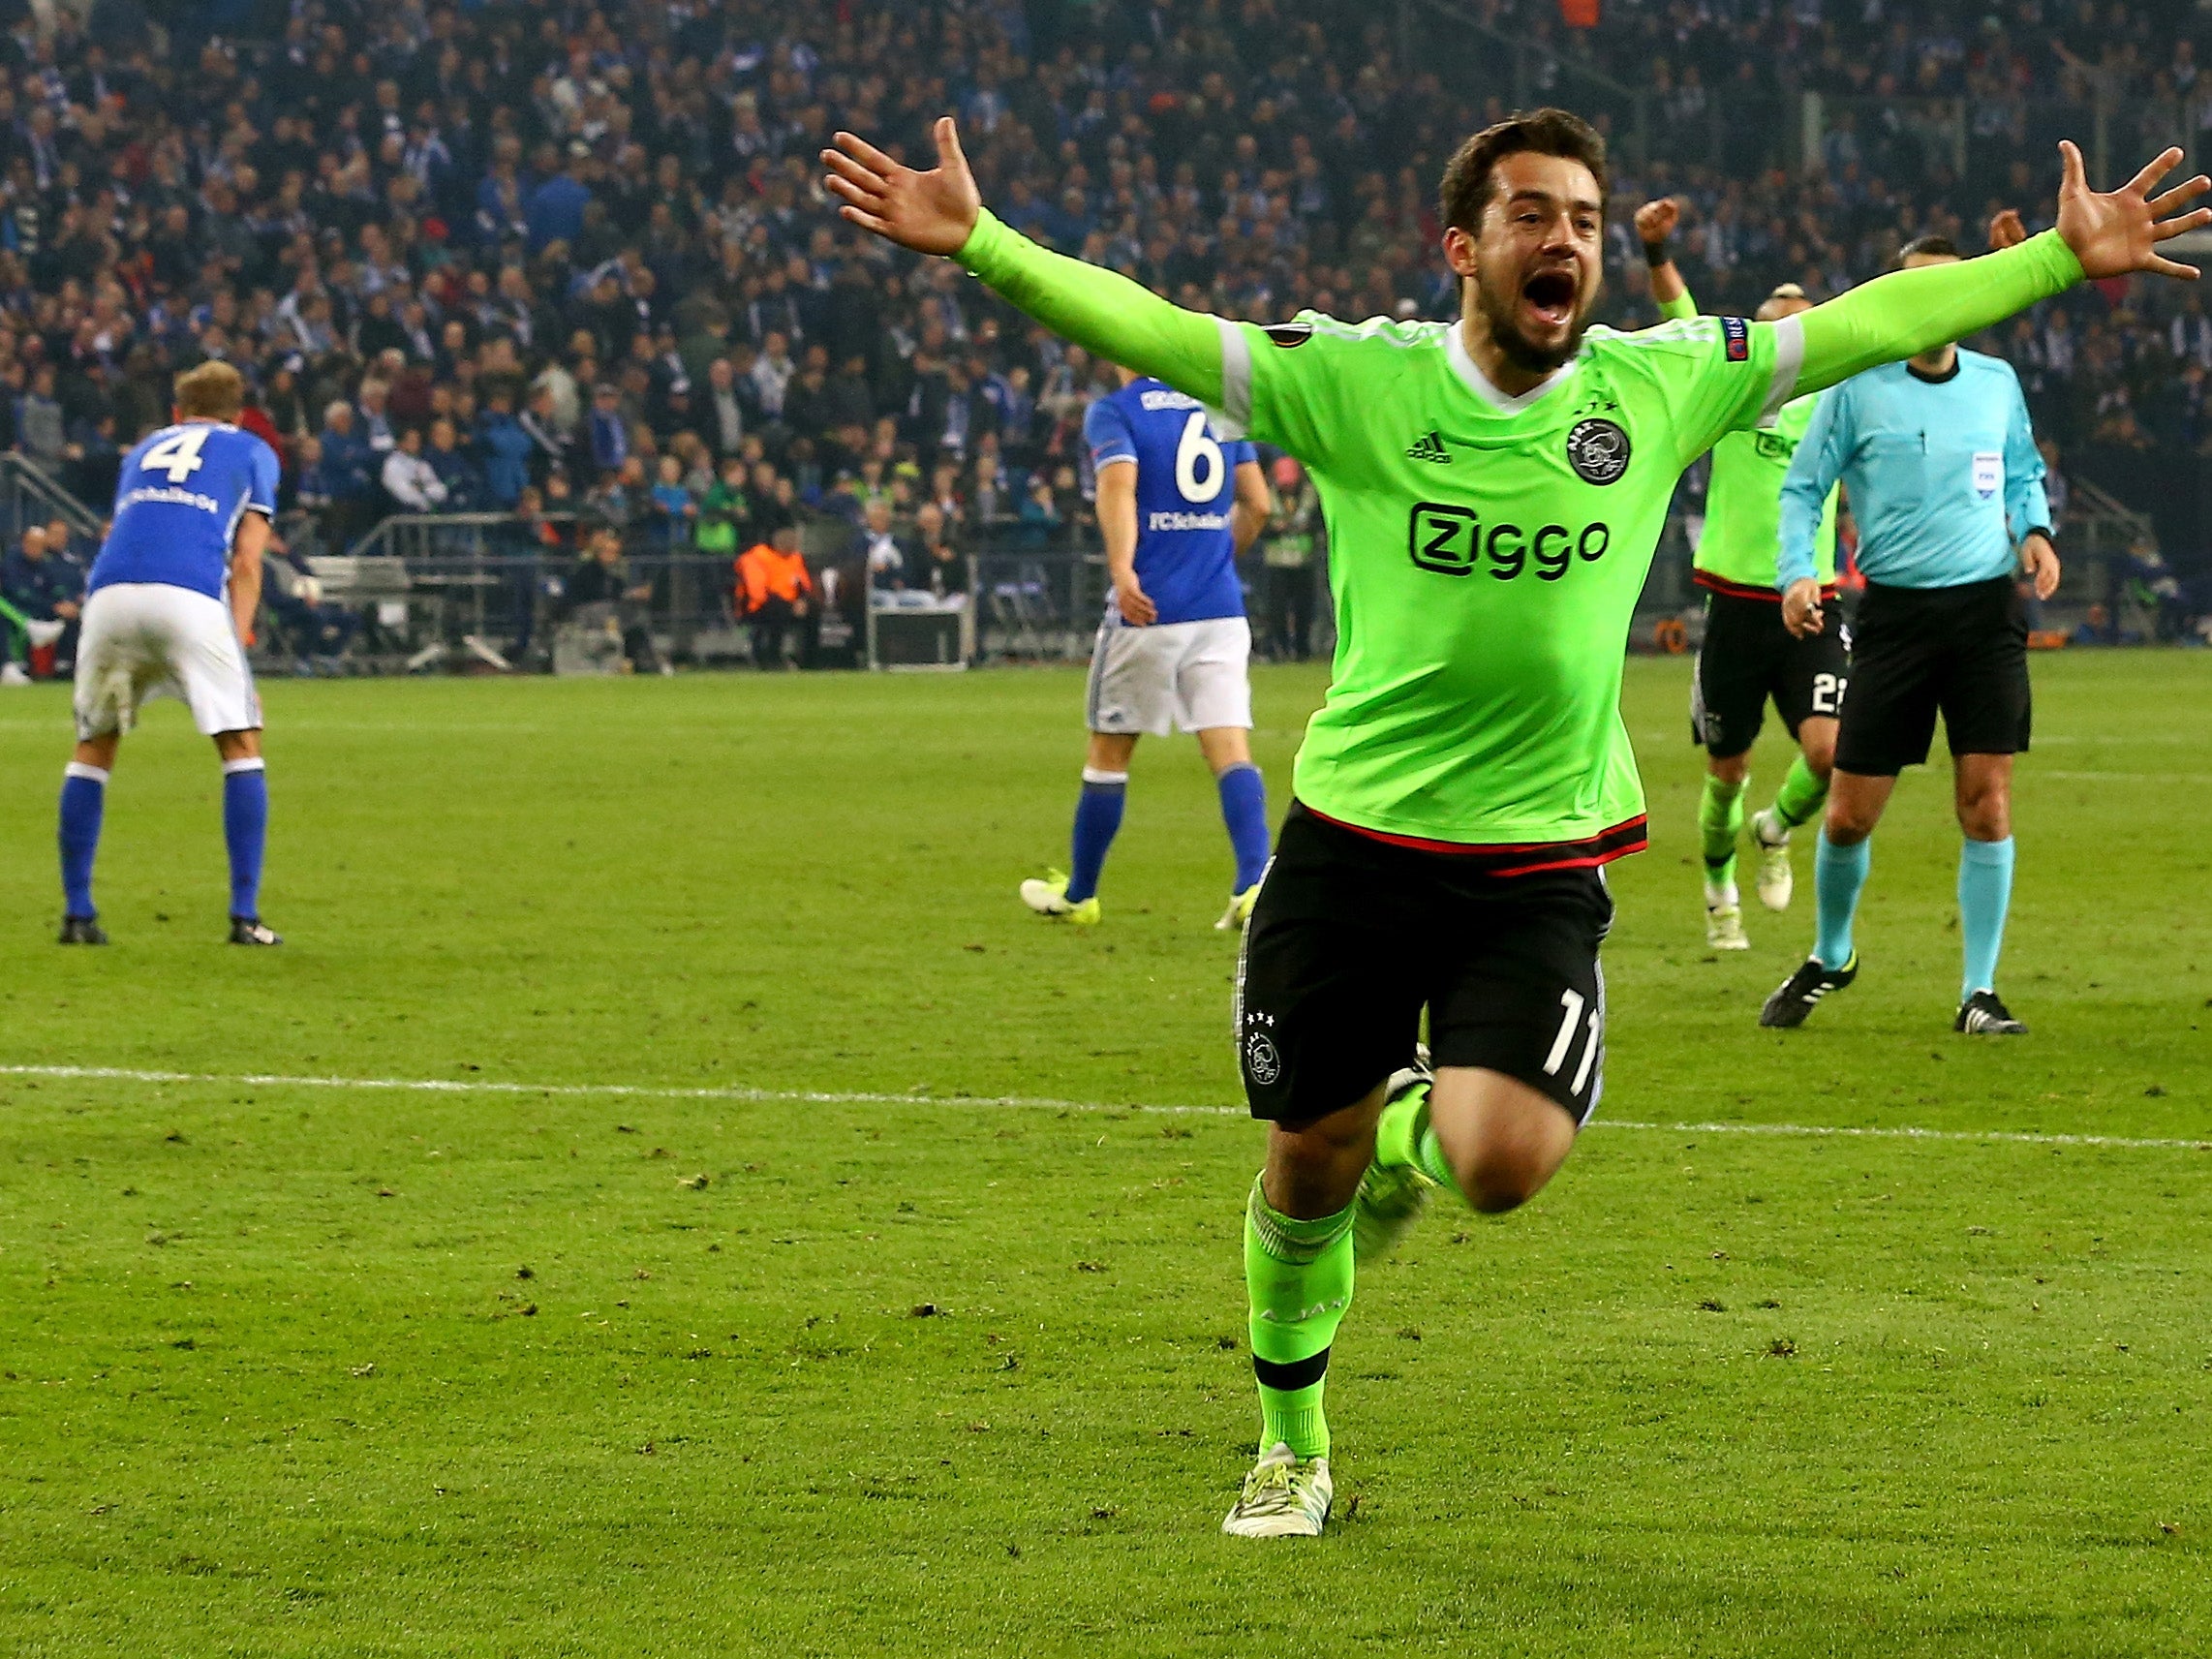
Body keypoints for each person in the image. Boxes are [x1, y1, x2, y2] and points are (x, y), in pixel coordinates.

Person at [824, 111, 2207, 1536]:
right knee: (1307, 1168)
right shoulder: (1354, 379)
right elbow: (1163, 330)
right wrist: (981, 245)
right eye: (1533, 214)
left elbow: (1870, 321)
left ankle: (1420, 1126)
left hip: (1539, 856)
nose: (1565, 240)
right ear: (1464, 247)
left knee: (1500, 1163)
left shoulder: (1658, 384)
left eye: (1586, 220)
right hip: (1354, 843)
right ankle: (1289, 1442)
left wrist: (2054, 259)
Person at [1761, 233, 2065, 1037]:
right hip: (1893, 617)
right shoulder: (1859, 388)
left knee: (1986, 803)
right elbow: (1803, 488)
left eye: (1948, 290)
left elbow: (2025, 470)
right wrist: (1800, 571)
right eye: (1915, 293)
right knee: (1850, 815)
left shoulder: (1998, 385)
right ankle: (1832, 954)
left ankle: (1980, 990)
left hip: (1984, 614)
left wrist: (2035, 530)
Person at [1636, 198, 1846, 950]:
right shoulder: (1733, 399)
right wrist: (1659, 253)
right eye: (1782, 327)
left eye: (1806, 326)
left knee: (1829, 752)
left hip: (1812, 599)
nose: (1796, 338)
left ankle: (1776, 827)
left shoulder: (1835, 404)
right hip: (1734, 604)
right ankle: (1718, 884)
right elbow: (1683, 320)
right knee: (1727, 770)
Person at [1017, 360, 1273, 930]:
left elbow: (1119, 488)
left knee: (1110, 755)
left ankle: (1081, 895)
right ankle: (1253, 885)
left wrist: (1123, 569)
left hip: (1149, 610)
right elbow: (1259, 505)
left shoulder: (1116, 411)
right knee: (1230, 751)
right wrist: (1213, 558)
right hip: (1220, 610)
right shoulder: (1222, 406)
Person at [57, 359, 283, 946]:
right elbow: (248, 560)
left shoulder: (144, 449)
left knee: (94, 745)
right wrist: (240, 642)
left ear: (178, 412)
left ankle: (78, 914)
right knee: (239, 742)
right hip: (186, 597)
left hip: (108, 595)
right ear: (239, 411)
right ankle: (244, 915)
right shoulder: (254, 450)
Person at [1260, 453, 1321, 661]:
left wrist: (1308, 528)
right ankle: (1280, 650)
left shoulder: (1311, 495)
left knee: (1305, 608)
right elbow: (1260, 527)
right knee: (1276, 610)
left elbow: (1321, 524)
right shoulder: (1266, 495)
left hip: (1304, 562)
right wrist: (1275, 529)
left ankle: (1303, 650)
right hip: (1276, 563)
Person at [2, 524, 85, 675]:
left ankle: (65, 664)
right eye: (32, 544)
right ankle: (9, 664)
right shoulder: (12, 563)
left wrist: (65, 602)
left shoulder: (44, 564)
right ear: (24, 543)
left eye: (40, 545)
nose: (36, 549)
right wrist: (53, 606)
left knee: (74, 614)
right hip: (20, 610)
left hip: (43, 610)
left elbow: (56, 588)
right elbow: (19, 593)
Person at [736, 510, 813, 668]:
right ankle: (772, 657)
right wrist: (790, 605)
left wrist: (802, 600)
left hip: (790, 604)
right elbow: (757, 593)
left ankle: (810, 659)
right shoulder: (756, 557)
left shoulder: (795, 558)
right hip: (757, 606)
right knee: (778, 612)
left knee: (813, 612)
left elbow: (804, 584)